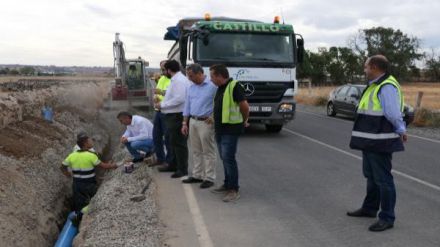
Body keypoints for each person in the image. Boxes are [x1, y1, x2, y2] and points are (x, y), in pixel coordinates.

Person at [347, 55, 408, 232]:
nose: (364, 70)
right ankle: (369, 209)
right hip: (370, 139)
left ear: (374, 67)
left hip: (380, 141)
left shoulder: (386, 86)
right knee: (371, 176)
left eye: (366, 67)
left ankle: (387, 217)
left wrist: (401, 130)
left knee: (383, 179)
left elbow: (393, 113)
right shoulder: (376, 85)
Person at [209, 64, 249, 202]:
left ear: (220, 76)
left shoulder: (234, 86)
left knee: (229, 158)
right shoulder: (220, 88)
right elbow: (221, 107)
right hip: (220, 129)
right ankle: (227, 184)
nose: (211, 79)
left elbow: (244, 106)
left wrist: (245, 120)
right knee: (224, 158)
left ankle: (233, 189)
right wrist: (213, 119)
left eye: (212, 76)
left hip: (231, 129)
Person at [61, 134, 116, 224]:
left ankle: (77, 219)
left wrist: (67, 174)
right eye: (90, 141)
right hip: (89, 184)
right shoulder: (91, 155)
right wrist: (114, 165)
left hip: (77, 184)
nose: (92, 142)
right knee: (96, 200)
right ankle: (87, 217)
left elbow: (62, 167)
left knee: (79, 204)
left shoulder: (72, 155)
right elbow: (104, 166)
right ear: (85, 143)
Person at [181, 63, 218, 189]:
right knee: (196, 150)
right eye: (188, 76)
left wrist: (213, 116)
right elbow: (187, 106)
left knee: (208, 151)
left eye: (191, 76)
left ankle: (209, 178)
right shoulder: (191, 87)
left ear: (199, 73)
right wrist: (184, 123)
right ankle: (197, 175)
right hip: (192, 121)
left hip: (206, 122)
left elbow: (220, 103)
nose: (189, 79)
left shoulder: (213, 86)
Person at [154, 60, 191, 178]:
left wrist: (162, 105)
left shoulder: (179, 81)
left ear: (169, 70)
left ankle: (182, 169)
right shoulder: (176, 79)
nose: (164, 72)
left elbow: (179, 99)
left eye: (165, 70)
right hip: (173, 115)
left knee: (179, 144)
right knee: (173, 142)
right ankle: (173, 165)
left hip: (176, 115)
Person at [151, 60, 173, 167]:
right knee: (156, 136)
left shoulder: (174, 79)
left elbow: (172, 94)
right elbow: (157, 91)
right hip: (158, 111)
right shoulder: (162, 79)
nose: (162, 71)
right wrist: (155, 98)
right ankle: (160, 158)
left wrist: (160, 94)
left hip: (167, 112)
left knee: (168, 138)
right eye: (161, 69)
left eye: (164, 69)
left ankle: (169, 161)